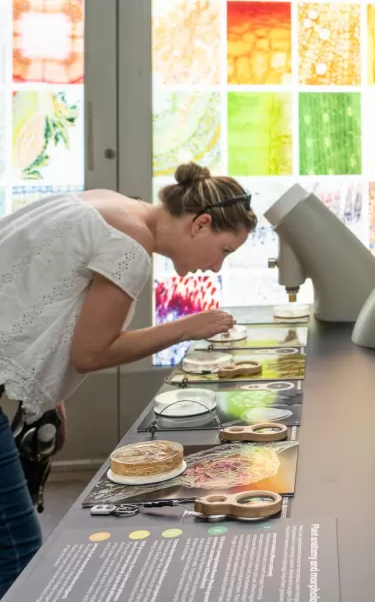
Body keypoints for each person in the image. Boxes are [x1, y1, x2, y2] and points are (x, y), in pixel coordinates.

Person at [0, 161, 254, 595]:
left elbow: (38, 292)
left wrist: (46, 395)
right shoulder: (130, 246)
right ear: (201, 223)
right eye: (224, 250)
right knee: (18, 551)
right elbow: (91, 353)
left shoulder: (109, 202)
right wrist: (187, 326)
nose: (215, 268)